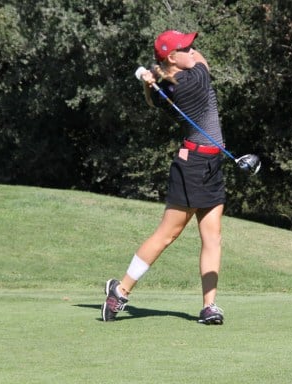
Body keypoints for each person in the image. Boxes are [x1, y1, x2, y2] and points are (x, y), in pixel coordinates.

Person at [102, 30, 227, 325]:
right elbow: (202, 63)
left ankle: (209, 307)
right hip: (194, 165)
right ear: (173, 57)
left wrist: (154, 75)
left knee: (213, 237)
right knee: (167, 235)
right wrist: (157, 74)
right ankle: (119, 292)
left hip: (211, 162)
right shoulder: (192, 82)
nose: (193, 50)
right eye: (187, 47)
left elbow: (167, 78)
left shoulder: (165, 89)